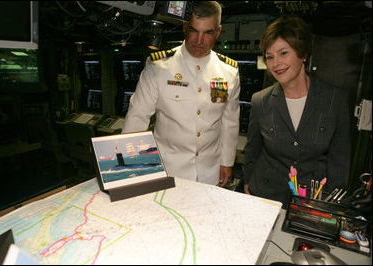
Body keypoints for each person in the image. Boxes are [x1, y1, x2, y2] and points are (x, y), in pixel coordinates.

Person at [122, 1, 240, 187]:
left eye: (208, 32)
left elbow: (229, 121)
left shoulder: (228, 71)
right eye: (194, 30)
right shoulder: (159, 67)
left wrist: (227, 162)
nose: (199, 40)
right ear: (185, 27)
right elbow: (137, 119)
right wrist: (129, 168)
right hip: (168, 171)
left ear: (217, 32)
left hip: (210, 171)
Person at [243, 16, 351, 206]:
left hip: (311, 202)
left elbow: (340, 162)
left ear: (302, 54)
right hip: (264, 196)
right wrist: (248, 183)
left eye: (283, 53)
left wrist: (331, 204)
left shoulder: (335, 100)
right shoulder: (260, 101)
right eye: (270, 57)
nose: (276, 63)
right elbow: (252, 151)